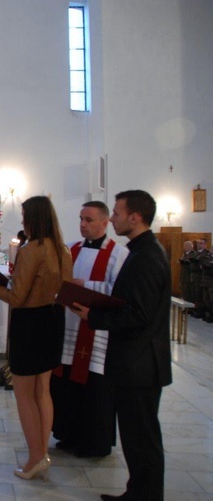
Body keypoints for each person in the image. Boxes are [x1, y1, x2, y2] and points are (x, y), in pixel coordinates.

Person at [71, 190, 171, 501]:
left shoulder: (147, 257)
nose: (112, 218)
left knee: (142, 439)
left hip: (140, 364)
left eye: (115, 213)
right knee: (136, 438)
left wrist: (94, 316)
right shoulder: (141, 251)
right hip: (134, 361)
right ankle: (137, 493)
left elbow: (137, 314)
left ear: (135, 217)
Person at [0, 195, 72, 481]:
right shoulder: (63, 250)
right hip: (53, 320)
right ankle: (42, 452)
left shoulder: (31, 249)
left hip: (30, 323)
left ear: (34, 218)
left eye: (24, 215)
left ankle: (35, 458)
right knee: (42, 390)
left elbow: (16, 297)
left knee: (23, 393)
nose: (21, 220)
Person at [50, 201, 129, 459]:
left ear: (105, 223)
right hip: (69, 327)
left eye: (89, 219)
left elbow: (120, 292)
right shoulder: (70, 249)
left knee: (94, 387)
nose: (82, 224)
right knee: (66, 383)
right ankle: (68, 434)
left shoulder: (118, 254)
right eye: (81, 218)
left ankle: (95, 442)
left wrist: (86, 285)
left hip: (96, 333)